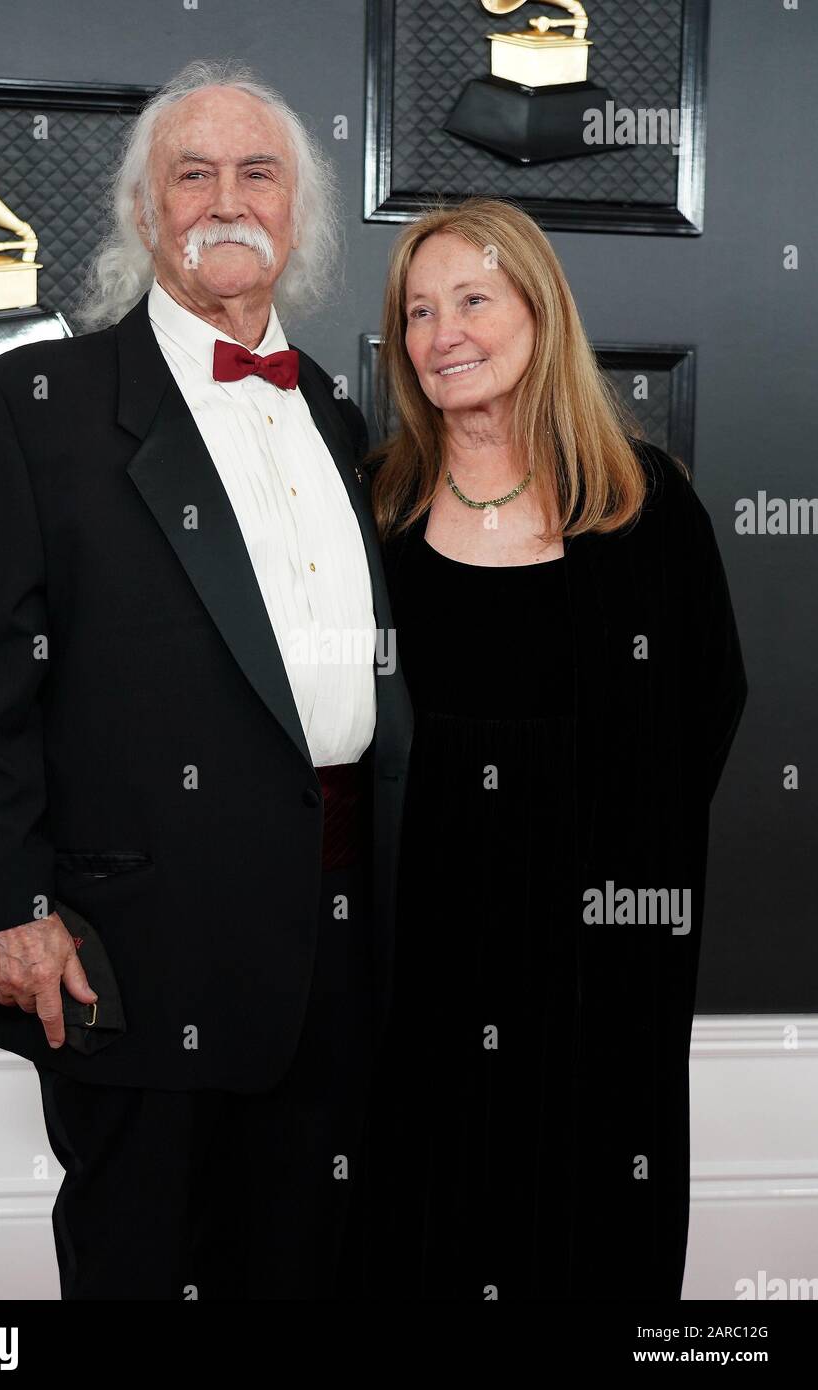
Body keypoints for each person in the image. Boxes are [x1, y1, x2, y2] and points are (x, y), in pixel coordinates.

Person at [0, 58, 412, 1301]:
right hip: (134, 953)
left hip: (345, 943)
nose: (226, 198)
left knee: (313, 1271)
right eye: (192, 173)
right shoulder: (27, 407)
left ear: (301, 214)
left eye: (259, 172)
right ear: (144, 212)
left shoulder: (346, 416)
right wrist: (2, 910)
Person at [357, 196, 748, 1300]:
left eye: (472, 299)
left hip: (595, 971)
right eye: (420, 312)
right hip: (414, 963)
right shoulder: (371, 509)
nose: (444, 334)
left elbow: (706, 709)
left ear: (540, 312)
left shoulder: (649, 507)